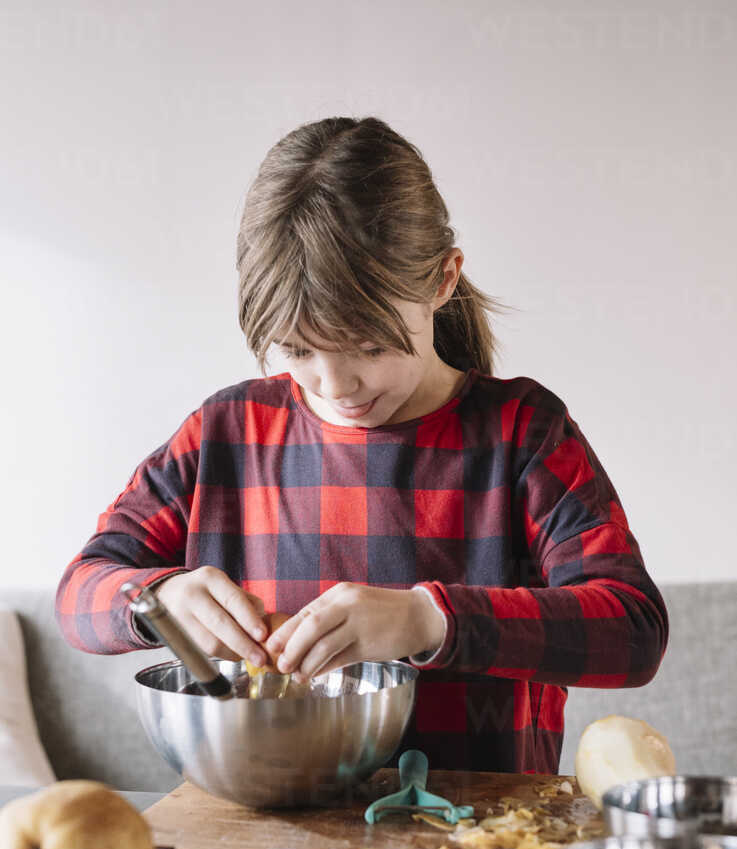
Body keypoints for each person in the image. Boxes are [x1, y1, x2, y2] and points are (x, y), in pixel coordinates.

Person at [55, 115, 669, 774]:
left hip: (483, 844)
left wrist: (428, 620)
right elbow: (78, 598)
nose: (336, 385)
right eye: (296, 350)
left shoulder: (523, 432)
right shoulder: (224, 434)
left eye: (369, 347)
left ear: (442, 280)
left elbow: (632, 633)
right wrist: (160, 602)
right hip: (263, 830)